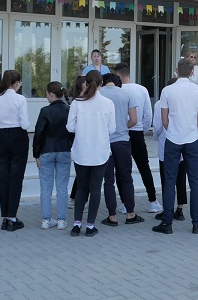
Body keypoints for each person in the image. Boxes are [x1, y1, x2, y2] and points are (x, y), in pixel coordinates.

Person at [154, 58, 198, 234]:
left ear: (176, 70)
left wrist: (173, 130)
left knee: (169, 181)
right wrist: (190, 129)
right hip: (191, 139)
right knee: (194, 181)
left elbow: (164, 119)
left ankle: (167, 223)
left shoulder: (167, 90)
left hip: (173, 139)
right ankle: (197, 223)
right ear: (192, 72)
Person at [66, 70, 115, 236]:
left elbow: (70, 127)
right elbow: (112, 129)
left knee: (81, 188)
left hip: (81, 151)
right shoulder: (108, 103)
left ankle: (76, 224)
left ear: (85, 83)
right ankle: (90, 226)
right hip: (100, 151)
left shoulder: (77, 103)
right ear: (102, 84)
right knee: (95, 188)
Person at [99, 72, 143, 226]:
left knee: (108, 181)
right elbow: (134, 120)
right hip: (122, 141)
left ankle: (112, 216)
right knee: (126, 178)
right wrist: (123, 127)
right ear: (118, 83)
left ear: (103, 82)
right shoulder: (127, 94)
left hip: (105, 142)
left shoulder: (99, 94)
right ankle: (130, 214)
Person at [0, 69, 30, 231]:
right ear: (16, 83)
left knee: (4, 177)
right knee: (16, 178)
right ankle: (12, 216)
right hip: (18, 137)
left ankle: (5, 216)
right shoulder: (20, 99)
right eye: (19, 82)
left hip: (1, 138)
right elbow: (25, 124)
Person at [115, 63, 159, 213]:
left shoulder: (117, 91)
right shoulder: (142, 89)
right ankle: (153, 201)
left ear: (118, 76)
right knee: (144, 167)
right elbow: (148, 114)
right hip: (137, 132)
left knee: (121, 169)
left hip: (121, 134)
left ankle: (124, 202)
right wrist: (142, 129)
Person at [32, 81, 72, 230]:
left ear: (50, 94)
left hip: (47, 151)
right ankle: (61, 220)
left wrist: (36, 154)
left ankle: (46, 220)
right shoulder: (69, 110)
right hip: (64, 150)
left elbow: (39, 133)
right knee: (62, 187)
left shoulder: (45, 111)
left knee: (45, 187)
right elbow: (73, 131)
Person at [153, 78, 188, 221]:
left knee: (166, 179)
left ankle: (167, 209)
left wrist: (156, 136)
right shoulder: (185, 102)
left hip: (166, 142)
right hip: (184, 141)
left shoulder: (160, 104)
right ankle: (180, 209)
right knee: (181, 178)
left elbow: (158, 125)